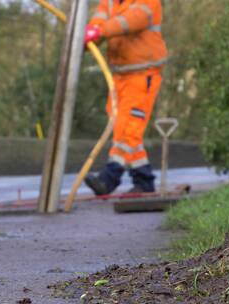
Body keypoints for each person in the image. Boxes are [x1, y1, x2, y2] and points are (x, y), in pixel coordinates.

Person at [83, 0, 168, 195]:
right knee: (123, 128)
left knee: (129, 127)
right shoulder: (109, 2)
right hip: (120, 76)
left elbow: (133, 19)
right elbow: (99, 21)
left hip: (143, 74)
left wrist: (99, 31)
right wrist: (89, 36)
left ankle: (109, 178)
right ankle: (144, 179)